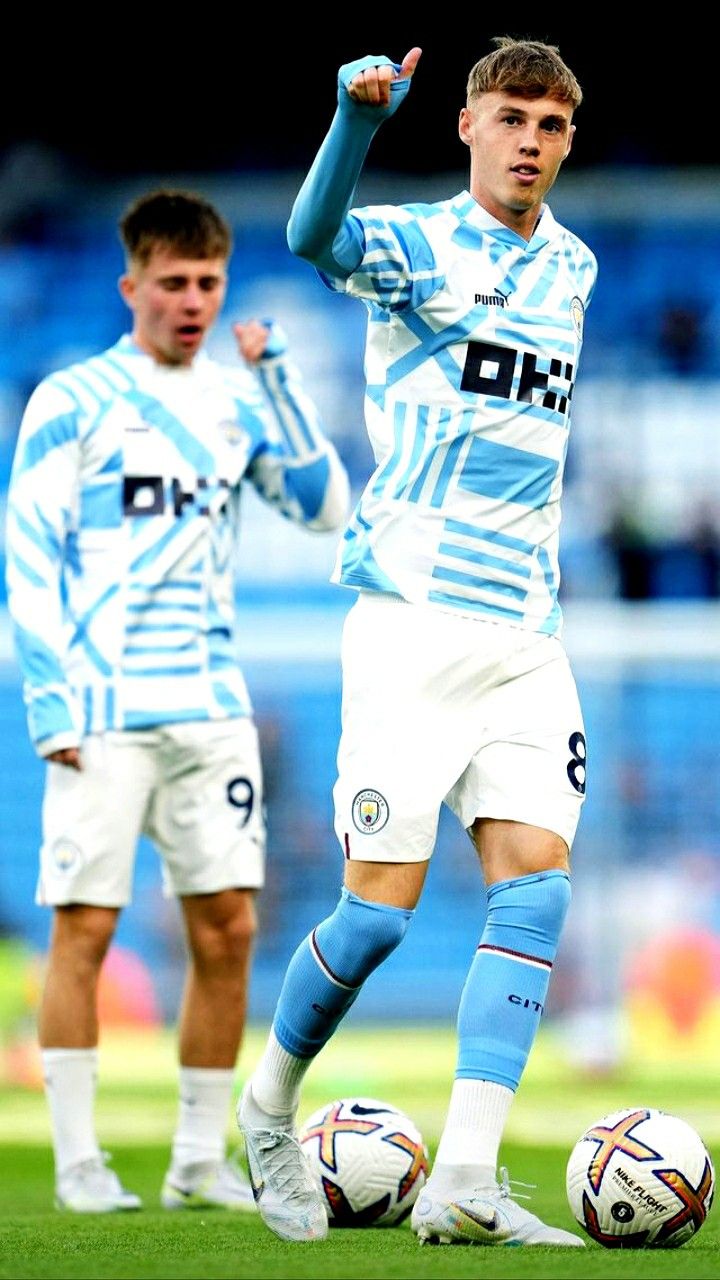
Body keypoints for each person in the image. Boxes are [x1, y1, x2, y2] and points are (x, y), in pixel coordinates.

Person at [237, 38, 596, 1247]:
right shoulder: (416, 242)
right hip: (408, 625)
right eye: (512, 117)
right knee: (379, 915)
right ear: (468, 126)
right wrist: (351, 121)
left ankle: (469, 1181)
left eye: (551, 123)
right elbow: (307, 240)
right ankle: (271, 1102)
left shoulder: (578, 268)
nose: (532, 141)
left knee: (534, 893)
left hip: (526, 637)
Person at [4, 189, 350, 1213]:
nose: (193, 301)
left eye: (207, 283)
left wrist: (281, 380)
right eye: (173, 284)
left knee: (230, 929)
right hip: (101, 706)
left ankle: (199, 1162)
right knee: (85, 928)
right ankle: (78, 1164)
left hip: (210, 705)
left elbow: (328, 506)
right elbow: (26, 548)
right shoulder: (72, 397)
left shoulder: (238, 402)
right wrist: (50, 698)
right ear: (132, 286)